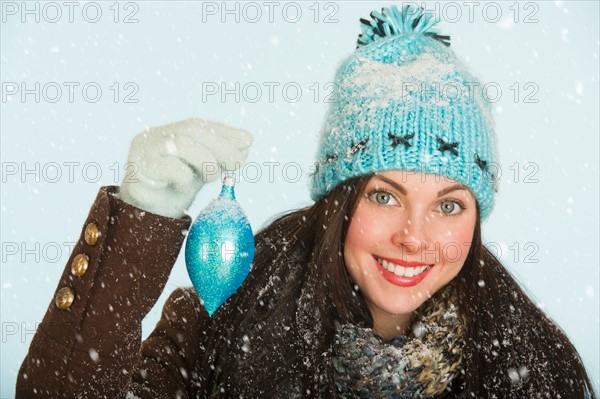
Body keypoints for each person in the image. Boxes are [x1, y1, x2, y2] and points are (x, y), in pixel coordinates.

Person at [16, 4, 596, 398]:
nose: (415, 237)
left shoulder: (531, 364)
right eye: (384, 196)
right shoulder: (224, 321)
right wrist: (137, 226)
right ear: (339, 202)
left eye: (449, 205)